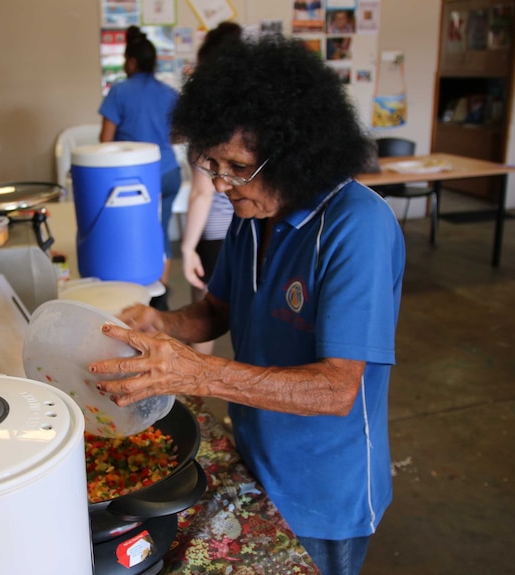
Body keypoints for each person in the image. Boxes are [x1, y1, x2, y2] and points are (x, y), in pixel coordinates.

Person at [89, 35, 406, 575]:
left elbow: (337, 389)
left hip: (323, 492)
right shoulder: (252, 215)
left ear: (294, 152)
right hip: (256, 458)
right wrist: (161, 323)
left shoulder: (358, 228)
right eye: (210, 164)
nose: (218, 185)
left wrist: (196, 374)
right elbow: (218, 310)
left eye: (234, 166)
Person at [99, 26, 181, 309]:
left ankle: (134, 304)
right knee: (161, 230)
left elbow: (104, 141)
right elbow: (175, 136)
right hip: (169, 173)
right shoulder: (169, 93)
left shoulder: (119, 91)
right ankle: (160, 299)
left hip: (133, 180)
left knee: (129, 234)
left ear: (131, 62)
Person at [180, 22, 241, 355]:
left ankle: (196, 400)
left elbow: (203, 192)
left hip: (216, 233)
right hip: (252, 229)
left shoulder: (211, 121)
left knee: (204, 320)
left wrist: (188, 247)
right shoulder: (257, 112)